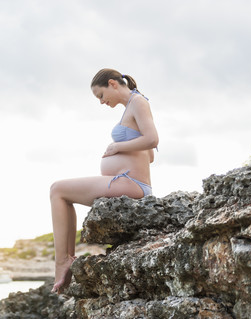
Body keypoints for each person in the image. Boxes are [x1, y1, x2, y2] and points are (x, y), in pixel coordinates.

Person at [49, 68, 159, 294]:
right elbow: (150, 155)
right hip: (130, 182)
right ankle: (66, 258)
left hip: (132, 185)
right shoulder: (132, 106)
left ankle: (62, 261)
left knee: (57, 190)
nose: (101, 102)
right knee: (61, 193)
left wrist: (117, 147)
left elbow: (153, 140)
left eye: (100, 95)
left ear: (113, 84)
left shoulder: (138, 102)